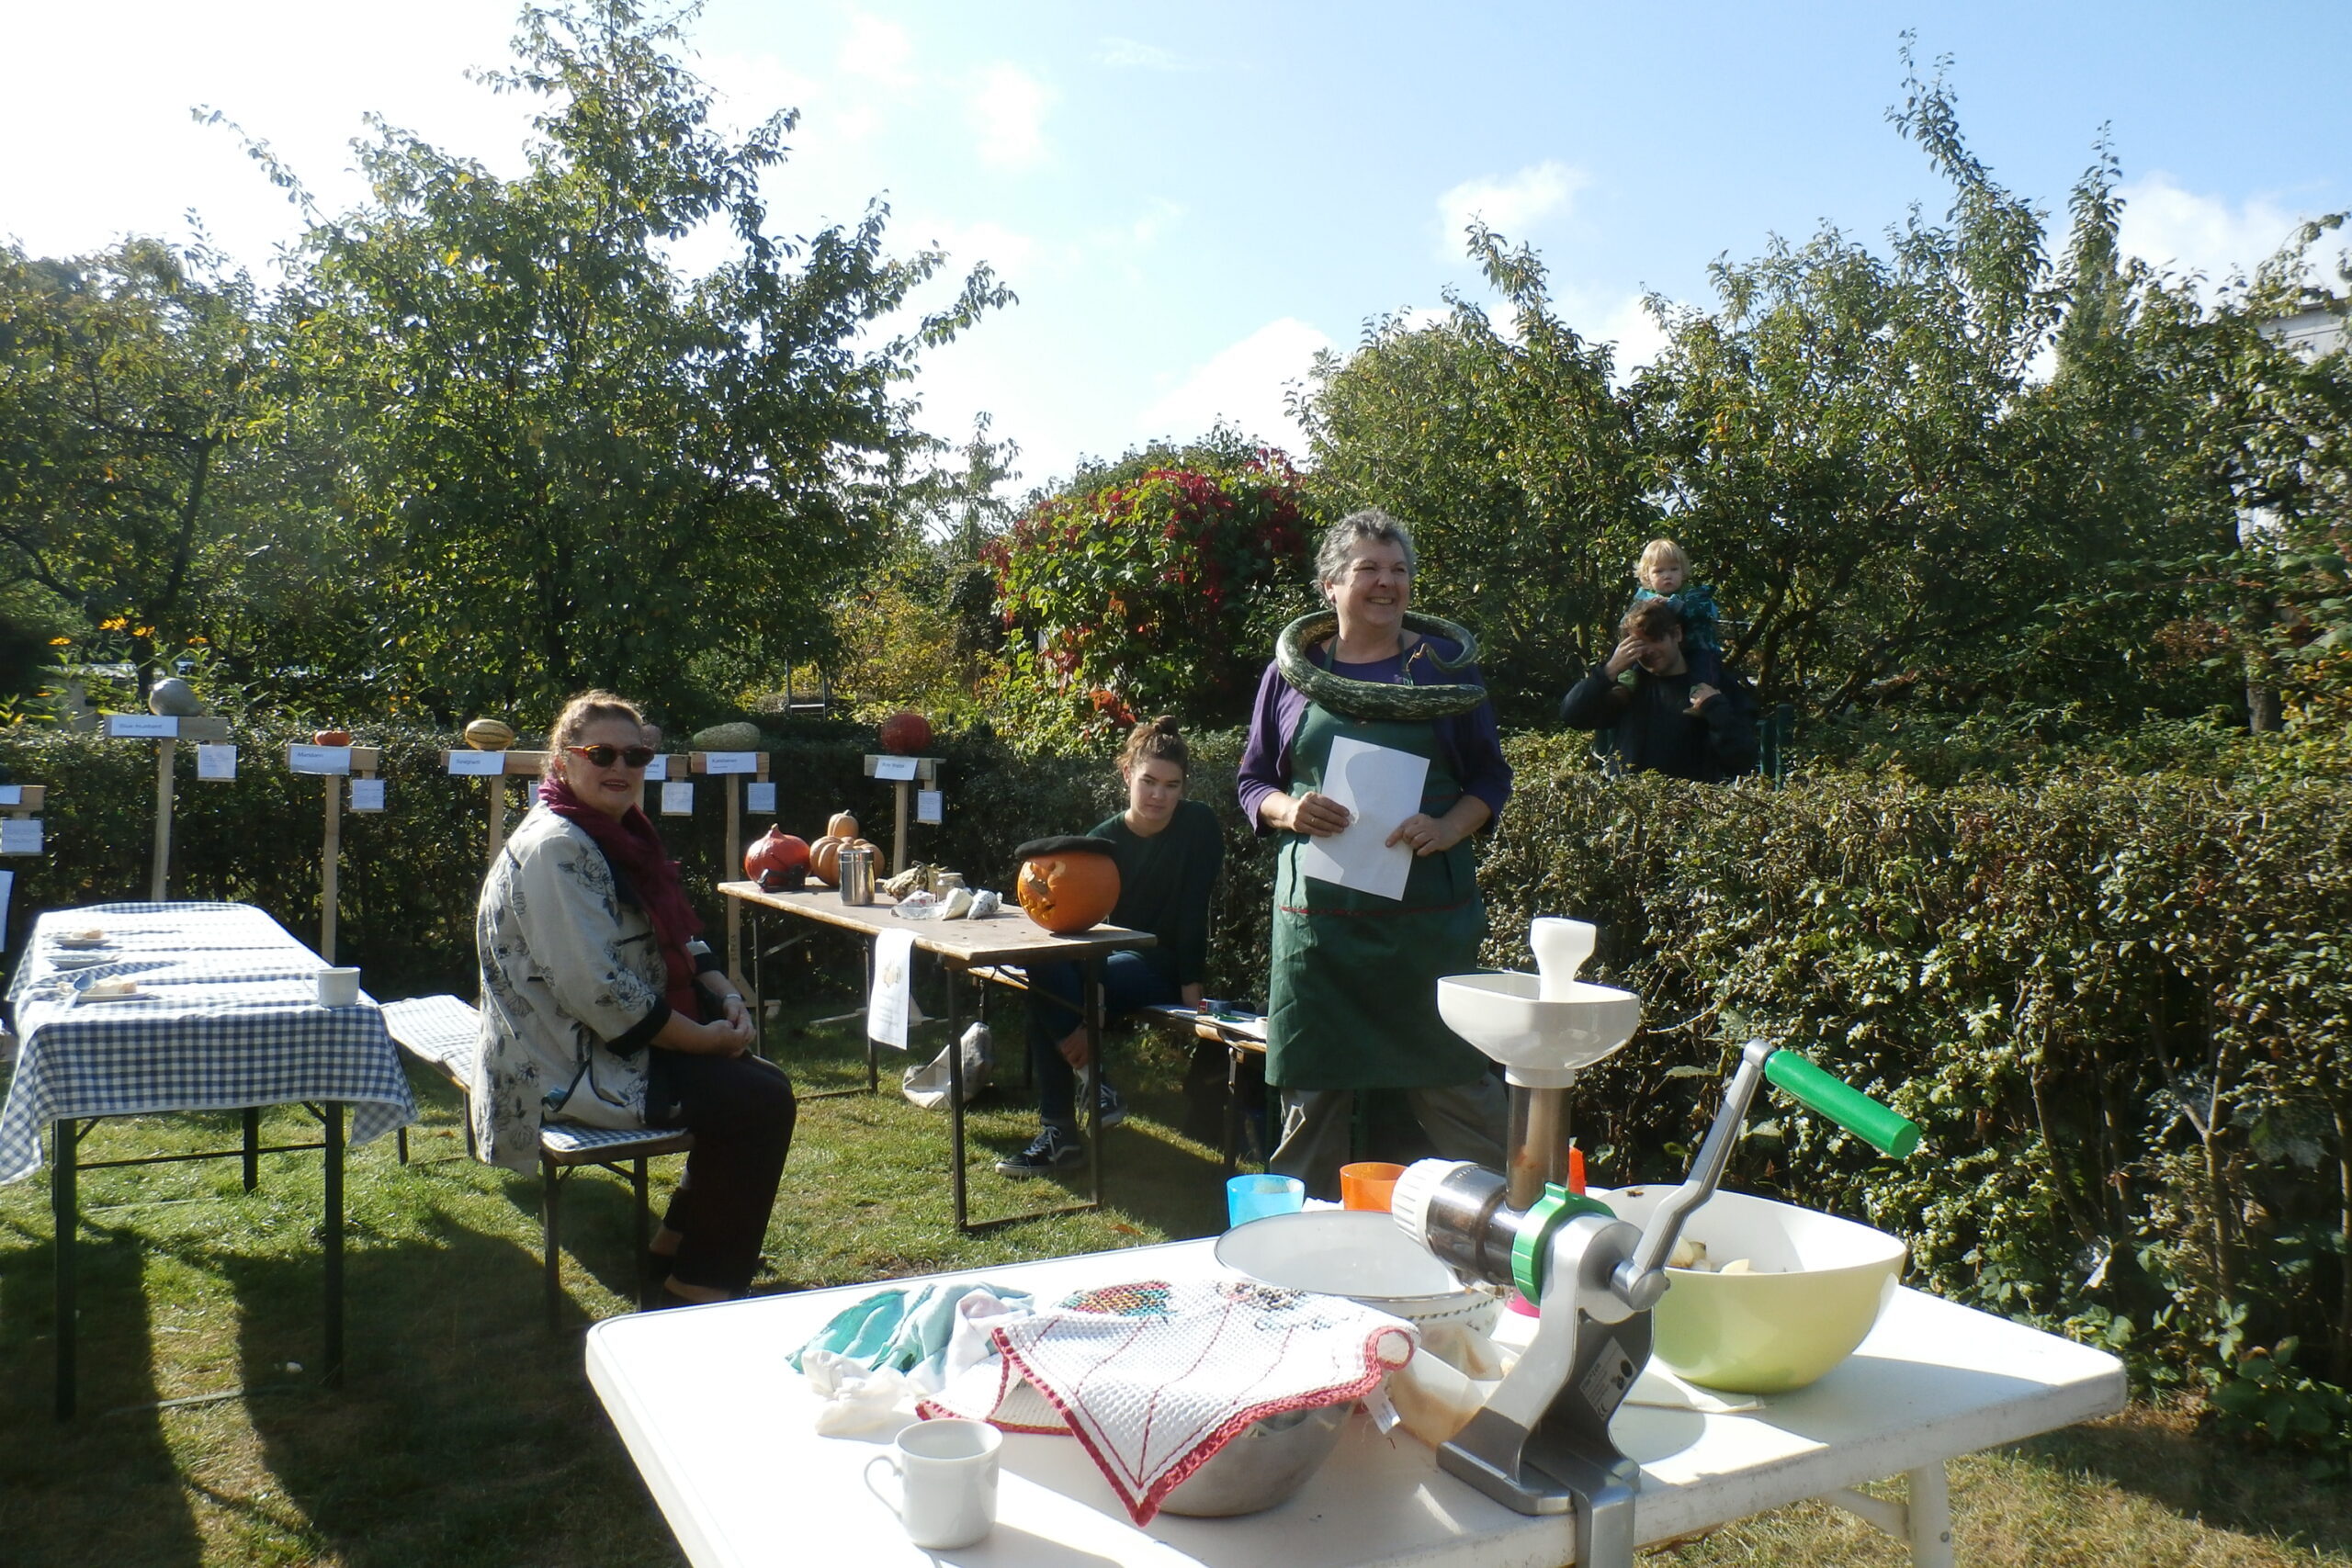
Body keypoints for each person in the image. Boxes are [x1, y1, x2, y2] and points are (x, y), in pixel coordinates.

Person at [474, 691, 796, 1304]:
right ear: (562, 761)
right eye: (600, 752)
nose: (620, 766)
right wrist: (703, 1038)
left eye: (636, 754)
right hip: (559, 1063)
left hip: (603, 1042)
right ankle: (695, 1289)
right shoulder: (557, 847)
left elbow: (678, 934)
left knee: (756, 1090)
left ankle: (677, 1247)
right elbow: (600, 990)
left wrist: (724, 993)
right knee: (757, 1101)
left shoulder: (620, 835)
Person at [1237, 509, 1512, 1200]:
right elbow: (1252, 782)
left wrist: (1450, 827)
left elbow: (1489, 778)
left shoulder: (1445, 668)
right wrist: (1288, 808)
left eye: (1398, 570)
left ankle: (1516, 1248)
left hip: (1426, 931)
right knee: (1310, 1115)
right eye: (1369, 569)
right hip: (1319, 933)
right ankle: (1295, 1276)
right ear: (1330, 584)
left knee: (1462, 1100)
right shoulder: (1290, 674)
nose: (1386, 583)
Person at [997, 716, 1226, 1177]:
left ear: (1183, 788)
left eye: (1171, 785)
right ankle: (1091, 1085)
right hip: (1105, 965)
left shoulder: (1198, 825)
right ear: (1127, 775)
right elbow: (1077, 925)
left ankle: (1062, 1132)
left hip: (1158, 967)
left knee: (1051, 993)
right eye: (1148, 782)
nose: (1159, 795)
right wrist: (1091, 997)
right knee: (1042, 962)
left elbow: (1191, 912)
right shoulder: (1100, 844)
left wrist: (1190, 992)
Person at [1559, 598, 1758, 783]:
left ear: (1677, 634)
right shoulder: (1628, 687)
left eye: (1655, 639)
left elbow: (1742, 760)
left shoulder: (1714, 684)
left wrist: (1715, 708)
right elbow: (1572, 715)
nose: (1648, 651)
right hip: (1628, 807)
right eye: (1639, 644)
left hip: (1688, 810)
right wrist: (1609, 670)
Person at [1631, 537, 1724, 687]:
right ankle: (1623, 688)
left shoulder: (1693, 594)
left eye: (1674, 569)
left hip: (1697, 648)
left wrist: (1675, 605)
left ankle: (1701, 699)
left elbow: (1710, 611)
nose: (1667, 575)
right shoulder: (1643, 598)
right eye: (1659, 571)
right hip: (1655, 651)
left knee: (1703, 671)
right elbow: (1626, 623)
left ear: (1683, 571)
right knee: (1632, 659)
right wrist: (1644, 611)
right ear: (1647, 575)